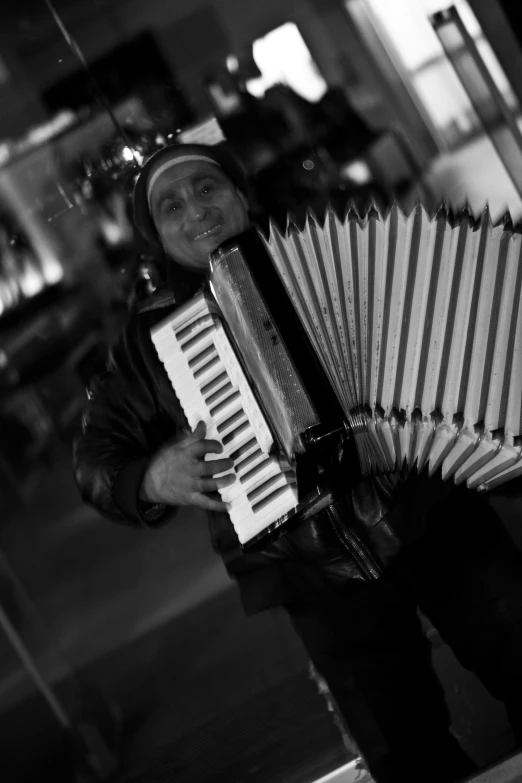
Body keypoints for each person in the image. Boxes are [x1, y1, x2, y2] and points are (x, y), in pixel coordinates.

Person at [73, 142, 522, 783]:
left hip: (425, 505)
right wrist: (147, 478)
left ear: (239, 195)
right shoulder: (147, 342)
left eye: (207, 188)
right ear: (154, 237)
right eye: (170, 205)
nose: (195, 209)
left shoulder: (337, 245)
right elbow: (92, 457)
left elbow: (443, 316)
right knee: (406, 755)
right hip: (311, 573)